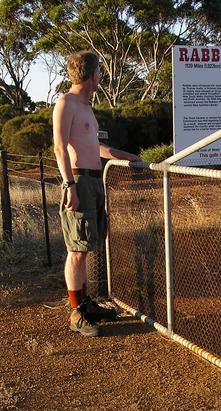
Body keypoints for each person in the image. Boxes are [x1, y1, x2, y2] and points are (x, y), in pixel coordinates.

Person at [53, 51, 140, 337]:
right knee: (77, 249)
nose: (101, 77)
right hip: (77, 181)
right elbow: (59, 147)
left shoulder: (87, 107)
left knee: (87, 246)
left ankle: (86, 304)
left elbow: (99, 150)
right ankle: (76, 312)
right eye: (99, 73)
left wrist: (133, 158)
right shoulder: (66, 103)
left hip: (93, 182)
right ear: (91, 75)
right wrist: (70, 186)